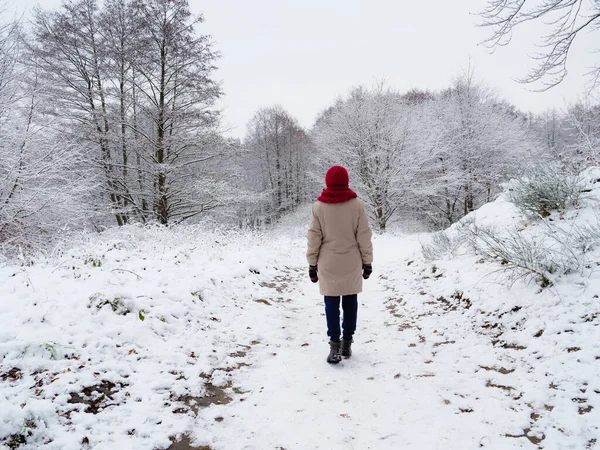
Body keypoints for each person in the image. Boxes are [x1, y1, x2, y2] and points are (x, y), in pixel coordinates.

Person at [306, 165, 373, 364]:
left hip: (328, 262)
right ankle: (347, 344)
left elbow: (314, 237)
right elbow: (364, 235)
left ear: (328, 182)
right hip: (351, 261)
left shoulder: (318, 206)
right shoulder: (357, 205)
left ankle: (334, 346)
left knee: (331, 305)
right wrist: (367, 261)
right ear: (346, 181)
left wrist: (312, 264)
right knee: (350, 303)